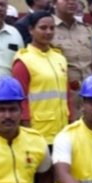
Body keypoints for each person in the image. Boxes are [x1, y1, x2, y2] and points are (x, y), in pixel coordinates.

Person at [12, 10, 69, 147]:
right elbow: (20, 99)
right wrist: (26, 128)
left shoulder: (59, 58)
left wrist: (71, 118)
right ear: (31, 30)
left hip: (62, 130)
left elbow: (66, 93)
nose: (48, 32)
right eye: (43, 28)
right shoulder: (24, 60)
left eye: (52, 28)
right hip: (38, 130)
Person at [46, 0, 92, 118]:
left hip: (88, 97)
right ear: (54, 2)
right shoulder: (47, 29)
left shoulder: (85, 29)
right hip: (62, 98)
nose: (71, 2)